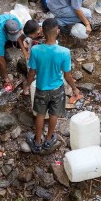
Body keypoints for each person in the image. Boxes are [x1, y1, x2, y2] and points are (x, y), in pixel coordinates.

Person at [24, 18, 81, 154]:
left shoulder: (36, 50)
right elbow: (67, 75)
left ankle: (37, 142)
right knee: (54, 114)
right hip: (57, 89)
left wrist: (27, 86)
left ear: (42, 31)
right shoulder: (64, 52)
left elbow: (32, 72)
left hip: (41, 89)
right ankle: (49, 139)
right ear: (57, 31)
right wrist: (74, 88)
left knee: (40, 114)